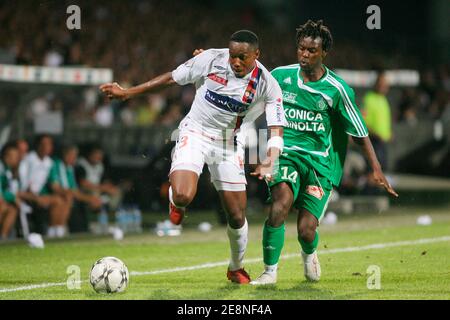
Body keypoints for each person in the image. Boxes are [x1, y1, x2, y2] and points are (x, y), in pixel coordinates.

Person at [100, 30, 286, 284]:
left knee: (236, 214)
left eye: (243, 57)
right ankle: (175, 201)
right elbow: (171, 78)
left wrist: (271, 158)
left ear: (257, 55)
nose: (236, 62)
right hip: (195, 132)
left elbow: (276, 129)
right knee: (184, 194)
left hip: (229, 143)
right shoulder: (210, 59)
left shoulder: (267, 83)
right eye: (233, 56)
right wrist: (128, 93)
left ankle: (236, 267)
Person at [248, 20, 398, 285]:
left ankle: (309, 253)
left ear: (324, 52)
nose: (305, 55)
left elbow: (360, 134)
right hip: (287, 155)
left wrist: (376, 169)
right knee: (279, 205)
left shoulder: (338, 90)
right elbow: (255, 101)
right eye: (302, 49)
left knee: (306, 229)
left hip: (320, 164)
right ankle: (269, 272)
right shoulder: (281, 76)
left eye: (312, 51)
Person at [47, 144, 103, 237]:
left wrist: (90, 198)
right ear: (65, 154)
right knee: (63, 199)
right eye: (72, 155)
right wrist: (88, 198)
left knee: (69, 199)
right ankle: (52, 233)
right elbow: (55, 188)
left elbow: (74, 190)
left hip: (66, 198)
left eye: (75, 156)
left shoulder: (69, 169)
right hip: (49, 195)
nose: (74, 158)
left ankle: (60, 232)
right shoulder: (55, 164)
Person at [362, 72, 393, 171]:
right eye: (381, 84)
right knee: (374, 170)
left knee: (383, 168)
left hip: (383, 142)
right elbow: (363, 120)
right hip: (373, 140)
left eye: (385, 85)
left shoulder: (384, 99)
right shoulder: (369, 98)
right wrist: (374, 133)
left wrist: (388, 133)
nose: (383, 87)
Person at [0, 143, 20, 240]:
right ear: (5, 156)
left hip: (4, 200)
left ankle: (3, 238)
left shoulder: (9, 170)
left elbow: (12, 190)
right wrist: (13, 198)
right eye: (13, 156)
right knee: (1, 206)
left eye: (16, 156)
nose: (15, 159)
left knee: (12, 209)